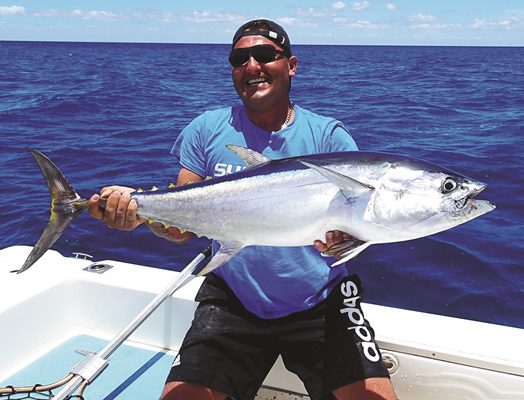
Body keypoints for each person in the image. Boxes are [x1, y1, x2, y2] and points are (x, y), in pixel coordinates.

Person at [88, 19, 396, 400]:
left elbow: (356, 228)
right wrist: (137, 214)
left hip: (321, 300)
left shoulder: (328, 137)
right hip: (233, 298)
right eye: (240, 59)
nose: (252, 66)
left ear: (292, 65)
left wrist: (340, 243)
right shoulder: (206, 129)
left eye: (265, 55)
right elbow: (181, 229)